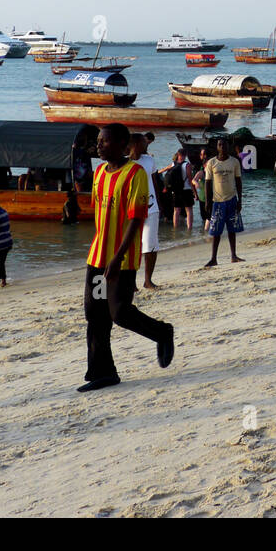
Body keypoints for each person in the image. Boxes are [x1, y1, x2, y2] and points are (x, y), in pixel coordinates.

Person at [80, 123, 174, 392]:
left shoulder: (136, 174)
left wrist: (117, 257)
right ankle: (102, 372)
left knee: (119, 312)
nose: (99, 145)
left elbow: (136, 219)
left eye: (104, 141)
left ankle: (162, 332)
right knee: (95, 314)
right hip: (97, 256)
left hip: (122, 259)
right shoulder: (98, 172)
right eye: (98, 140)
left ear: (122, 144)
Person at [203, 137, 245, 266]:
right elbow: (208, 183)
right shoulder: (211, 163)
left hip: (232, 199)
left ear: (228, 147)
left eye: (224, 145)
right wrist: (207, 202)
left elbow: (238, 181)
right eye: (220, 145)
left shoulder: (234, 162)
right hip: (217, 201)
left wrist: (240, 200)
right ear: (217, 147)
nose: (222, 147)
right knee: (216, 232)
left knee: (232, 230)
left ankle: (233, 255)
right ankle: (213, 258)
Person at [130, 133, 161, 289]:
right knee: (132, 246)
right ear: (134, 144)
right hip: (132, 209)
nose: (147, 145)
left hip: (151, 208)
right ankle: (131, 282)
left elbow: (155, 182)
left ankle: (148, 280)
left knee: (150, 245)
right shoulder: (125, 163)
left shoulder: (149, 160)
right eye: (143, 143)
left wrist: (159, 205)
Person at [167, 150, 191, 229]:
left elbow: (165, 171)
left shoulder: (173, 164)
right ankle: (189, 229)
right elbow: (190, 179)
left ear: (178, 155)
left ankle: (175, 229)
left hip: (176, 190)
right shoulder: (187, 164)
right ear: (185, 155)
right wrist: (194, 192)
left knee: (176, 211)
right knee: (188, 211)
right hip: (186, 189)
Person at [192, 147, 211, 226]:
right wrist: (195, 193)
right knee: (204, 217)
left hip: (212, 197)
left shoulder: (212, 170)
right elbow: (193, 180)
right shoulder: (200, 170)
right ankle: (205, 234)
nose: (203, 156)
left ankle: (208, 233)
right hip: (202, 197)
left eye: (204, 154)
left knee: (210, 217)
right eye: (201, 154)